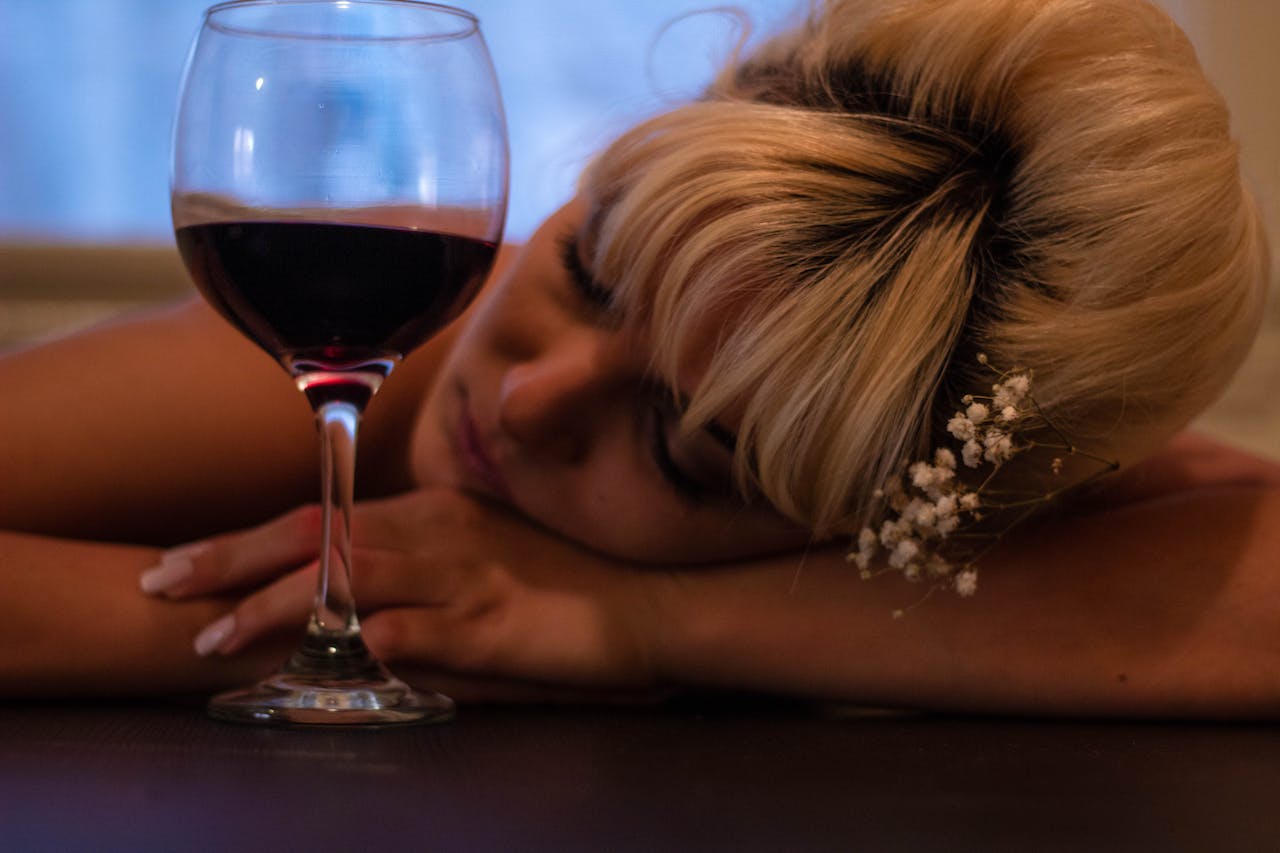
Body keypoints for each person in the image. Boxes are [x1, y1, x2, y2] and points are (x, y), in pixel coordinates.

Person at [2, 0, 1277, 715]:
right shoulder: (382, 340)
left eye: (684, 451)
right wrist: (364, 631)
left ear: (882, 527)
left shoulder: (942, 437)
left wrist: (641, 620)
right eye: (584, 270)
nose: (525, 393)